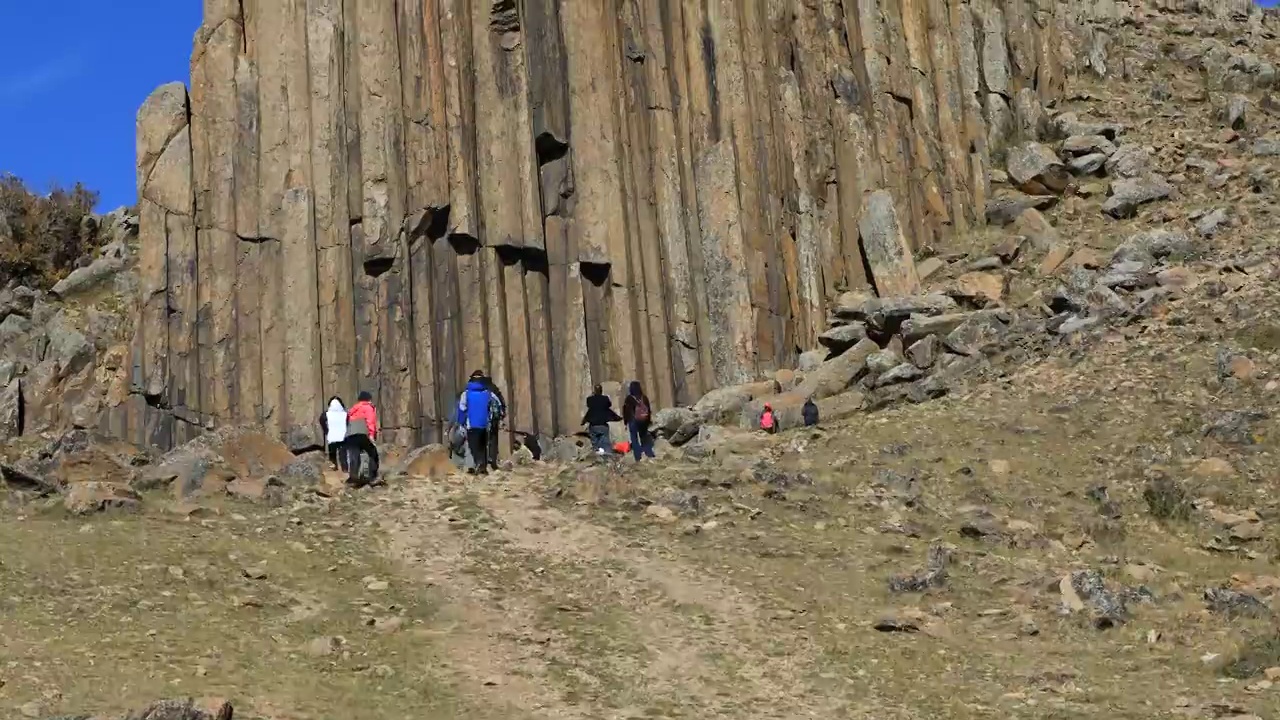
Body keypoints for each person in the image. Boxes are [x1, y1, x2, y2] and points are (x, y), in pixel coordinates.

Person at [457, 370, 503, 475]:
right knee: (483, 446)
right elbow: (498, 406)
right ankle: (482, 466)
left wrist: (461, 423)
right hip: (485, 425)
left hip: (471, 425)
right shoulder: (488, 394)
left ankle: (475, 465)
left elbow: (462, 409)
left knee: (473, 446)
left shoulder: (466, 394)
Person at [345, 391, 380, 486]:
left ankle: (353, 479)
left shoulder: (352, 409)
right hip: (362, 434)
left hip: (350, 435)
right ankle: (372, 477)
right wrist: (372, 435)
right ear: (369, 399)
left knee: (354, 457)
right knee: (372, 453)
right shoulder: (368, 408)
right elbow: (370, 421)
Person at [621, 381, 657, 461]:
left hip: (633, 420)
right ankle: (649, 453)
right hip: (643, 420)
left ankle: (638, 457)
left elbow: (626, 411)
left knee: (634, 438)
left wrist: (625, 422)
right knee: (644, 437)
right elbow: (648, 409)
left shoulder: (629, 398)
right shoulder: (644, 397)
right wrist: (648, 421)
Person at [581, 384, 622, 454]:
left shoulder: (590, 399)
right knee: (605, 442)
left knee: (594, 442)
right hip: (603, 425)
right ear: (601, 390)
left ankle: (597, 455)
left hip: (593, 425)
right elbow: (609, 405)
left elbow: (588, 405)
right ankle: (606, 456)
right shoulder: (605, 399)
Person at [319, 396, 349, 472]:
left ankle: (334, 465)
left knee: (332, 452)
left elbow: (322, 421)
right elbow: (347, 422)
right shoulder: (344, 413)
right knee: (343, 453)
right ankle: (344, 468)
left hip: (332, 434)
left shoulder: (326, 414)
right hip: (342, 435)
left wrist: (326, 431)